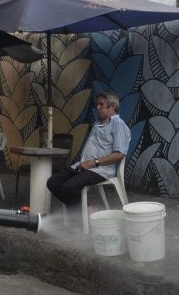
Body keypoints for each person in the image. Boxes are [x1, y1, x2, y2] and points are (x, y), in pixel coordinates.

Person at [47, 91, 131, 224]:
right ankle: (87, 209)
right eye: (96, 104)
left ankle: (81, 219)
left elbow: (119, 154)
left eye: (101, 104)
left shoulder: (118, 125)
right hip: (82, 165)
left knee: (68, 187)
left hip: (100, 169)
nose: (97, 107)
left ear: (112, 106)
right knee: (53, 182)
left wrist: (94, 162)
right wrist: (86, 163)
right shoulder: (97, 124)